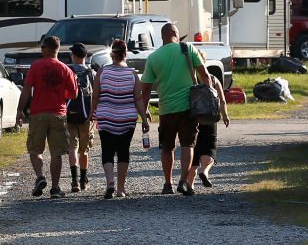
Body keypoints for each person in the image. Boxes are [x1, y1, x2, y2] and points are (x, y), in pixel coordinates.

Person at [139, 22, 211, 196]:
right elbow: (205, 75)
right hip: (189, 107)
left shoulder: (154, 57)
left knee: (166, 147)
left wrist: (144, 112)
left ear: (162, 36)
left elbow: (146, 89)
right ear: (174, 33)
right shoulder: (188, 49)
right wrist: (207, 97)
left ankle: (167, 183)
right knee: (187, 144)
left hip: (166, 109)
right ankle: (184, 181)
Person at [16, 35, 78, 198]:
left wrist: (20, 110)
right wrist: (59, 94)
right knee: (57, 152)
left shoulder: (35, 67)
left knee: (35, 149)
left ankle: (40, 177)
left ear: (46, 48)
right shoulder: (66, 69)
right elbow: (73, 94)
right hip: (58, 113)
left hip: (38, 113)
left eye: (42, 47)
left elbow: (26, 90)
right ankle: (55, 188)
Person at [91, 38, 149, 199]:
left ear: (112, 54)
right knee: (123, 151)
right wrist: (144, 118)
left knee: (107, 151)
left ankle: (110, 182)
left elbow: (95, 96)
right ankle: (120, 189)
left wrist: (92, 112)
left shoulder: (102, 72)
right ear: (125, 54)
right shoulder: (132, 74)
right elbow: (138, 99)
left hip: (106, 117)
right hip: (127, 119)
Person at [66, 43, 96, 192]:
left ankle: (74, 181)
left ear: (74, 55)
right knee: (84, 149)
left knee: (72, 146)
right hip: (87, 116)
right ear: (85, 56)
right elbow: (96, 94)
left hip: (69, 114)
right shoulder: (91, 73)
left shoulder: (67, 71)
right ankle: (83, 180)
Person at [190, 73, 229, 187]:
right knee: (209, 147)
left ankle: (189, 183)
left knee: (193, 147)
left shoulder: (187, 78)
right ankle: (205, 172)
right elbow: (222, 100)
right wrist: (225, 115)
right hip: (209, 117)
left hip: (193, 117)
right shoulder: (213, 78)